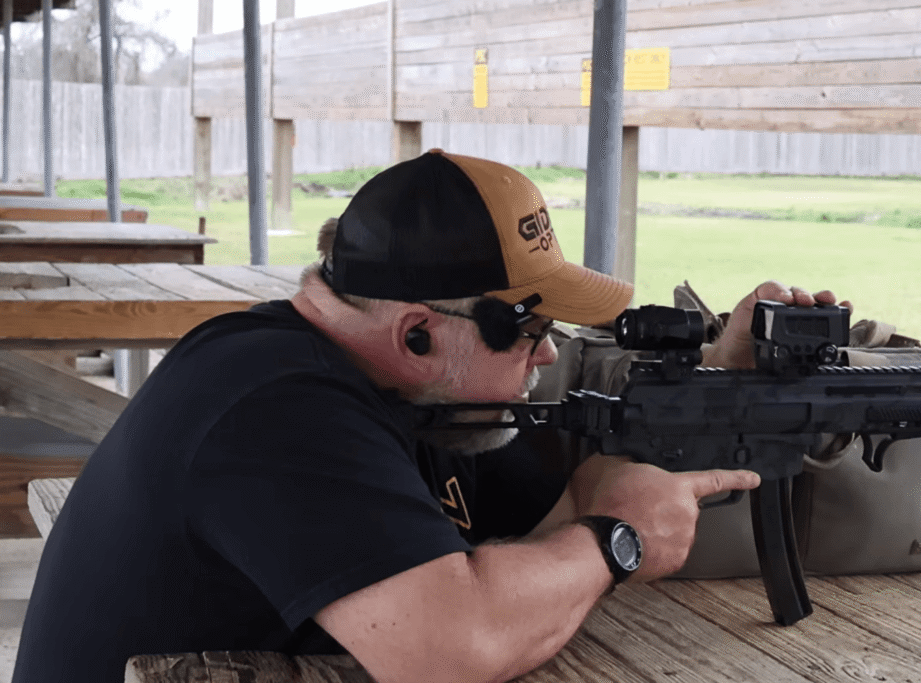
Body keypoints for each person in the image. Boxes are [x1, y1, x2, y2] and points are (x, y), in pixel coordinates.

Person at [14, 149, 842, 683]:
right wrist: (615, 542)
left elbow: (545, 517)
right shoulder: (274, 403)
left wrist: (719, 380)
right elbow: (454, 644)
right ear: (418, 331)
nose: (547, 356)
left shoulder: (417, 392)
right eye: (533, 330)